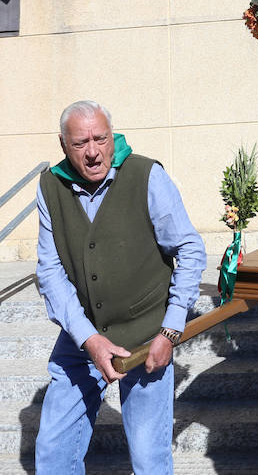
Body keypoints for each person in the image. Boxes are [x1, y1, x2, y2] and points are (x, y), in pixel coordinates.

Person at [35, 100, 207, 475]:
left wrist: (171, 329)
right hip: (83, 336)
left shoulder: (146, 175)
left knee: (149, 459)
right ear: (63, 145)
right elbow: (50, 271)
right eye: (81, 143)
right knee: (53, 452)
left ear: (113, 137)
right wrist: (89, 339)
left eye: (100, 138)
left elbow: (190, 250)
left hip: (147, 334)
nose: (93, 152)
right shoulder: (50, 186)